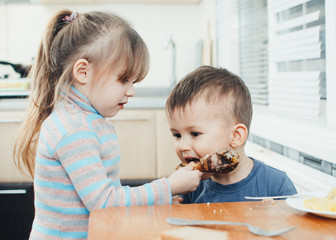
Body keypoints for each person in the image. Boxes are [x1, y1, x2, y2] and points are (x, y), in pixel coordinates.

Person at [13, 10, 202, 239]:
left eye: (133, 82)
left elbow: (107, 195)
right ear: (83, 72)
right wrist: (168, 186)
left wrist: (156, 199)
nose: (131, 91)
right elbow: (104, 202)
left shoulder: (85, 119)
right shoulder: (74, 129)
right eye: (124, 79)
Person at [165, 65, 297, 204]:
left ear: (236, 136)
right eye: (177, 135)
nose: (183, 146)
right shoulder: (188, 186)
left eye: (195, 133)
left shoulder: (276, 185)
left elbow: (297, 224)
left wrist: (277, 218)